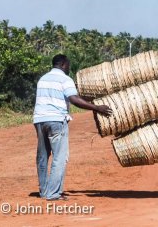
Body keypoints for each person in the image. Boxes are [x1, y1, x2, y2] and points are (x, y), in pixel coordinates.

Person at [33, 54, 112, 201]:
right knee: (59, 158)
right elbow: (74, 99)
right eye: (68, 65)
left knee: (42, 157)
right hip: (56, 120)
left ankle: (44, 191)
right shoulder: (65, 79)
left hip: (39, 120)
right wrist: (96, 107)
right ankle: (53, 193)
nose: (69, 67)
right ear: (63, 64)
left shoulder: (42, 79)